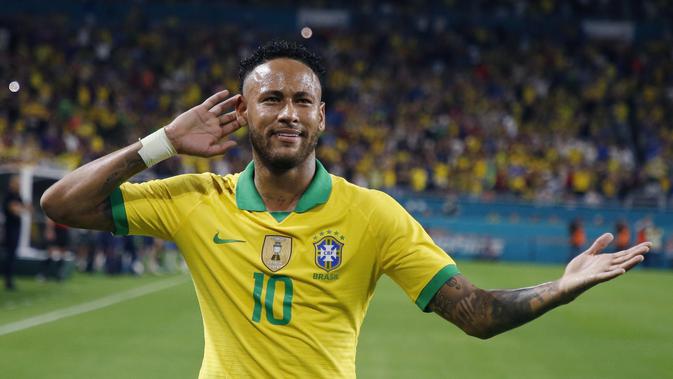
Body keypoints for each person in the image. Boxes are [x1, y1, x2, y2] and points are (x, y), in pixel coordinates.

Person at [41, 41, 651, 378]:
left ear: (322, 116)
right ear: (244, 114)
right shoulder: (197, 200)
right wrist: (164, 143)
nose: (288, 113)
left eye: (303, 100)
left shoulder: (373, 214)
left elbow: (477, 314)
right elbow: (61, 205)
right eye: (271, 98)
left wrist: (562, 287)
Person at [3, 175, 29, 290]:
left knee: (12, 255)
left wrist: (20, 208)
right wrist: (20, 209)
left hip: (16, 228)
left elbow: (27, 208)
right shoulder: (9, 195)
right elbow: (15, 210)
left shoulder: (18, 196)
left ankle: (9, 279)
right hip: (10, 228)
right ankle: (8, 280)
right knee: (10, 255)